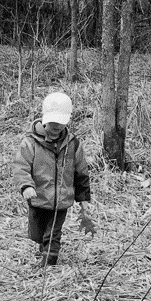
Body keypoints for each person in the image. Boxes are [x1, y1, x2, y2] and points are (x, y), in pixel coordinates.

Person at [10, 92, 92, 266]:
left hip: (61, 199)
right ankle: (43, 246)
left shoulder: (73, 144)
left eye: (61, 121)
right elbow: (20, 166)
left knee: (53, 233)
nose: (57, 125)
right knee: (37, 234)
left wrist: (83, 198)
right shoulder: (30, 143)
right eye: (53, 121)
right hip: (37, 197)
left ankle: (49, 261)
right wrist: (26, 186)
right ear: (45, 118)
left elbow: (81, 171)